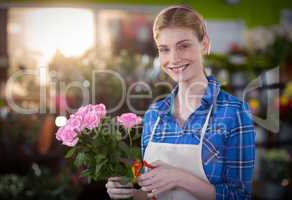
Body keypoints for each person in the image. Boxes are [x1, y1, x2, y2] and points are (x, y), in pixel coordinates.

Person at [106, 5, 255, 200]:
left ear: (205, 44)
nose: (174, 58)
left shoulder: (234, 112)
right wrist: (130, 194)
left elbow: (240, 196)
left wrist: (180, 178)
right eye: (164, 49)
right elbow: (152, 194)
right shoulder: (154, 114)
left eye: (183, 46)